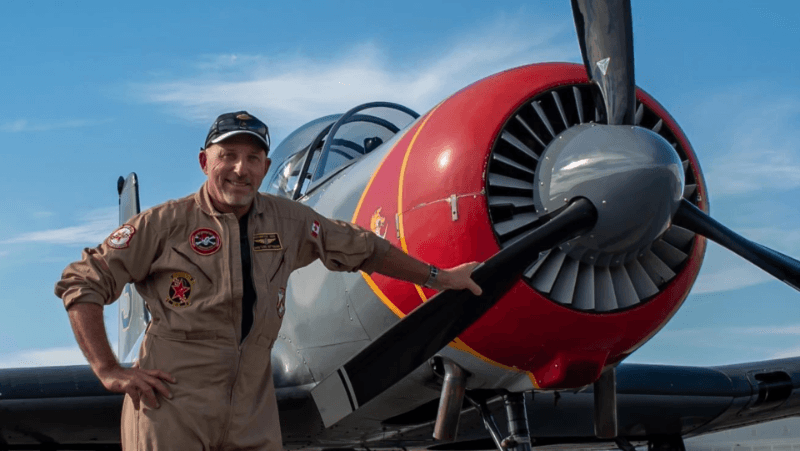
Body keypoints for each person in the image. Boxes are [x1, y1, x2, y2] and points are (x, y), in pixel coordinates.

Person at [55, 111, 482, 451]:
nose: (240, 169)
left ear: (266, 167)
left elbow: (365, 248)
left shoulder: (290, 220)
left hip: (252, 409)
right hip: (172, 404)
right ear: (205, 162)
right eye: (228, 155)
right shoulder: (163, 223)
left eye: (253, 158)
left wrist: (439, 277)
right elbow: (82, 282)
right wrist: (109, 370)